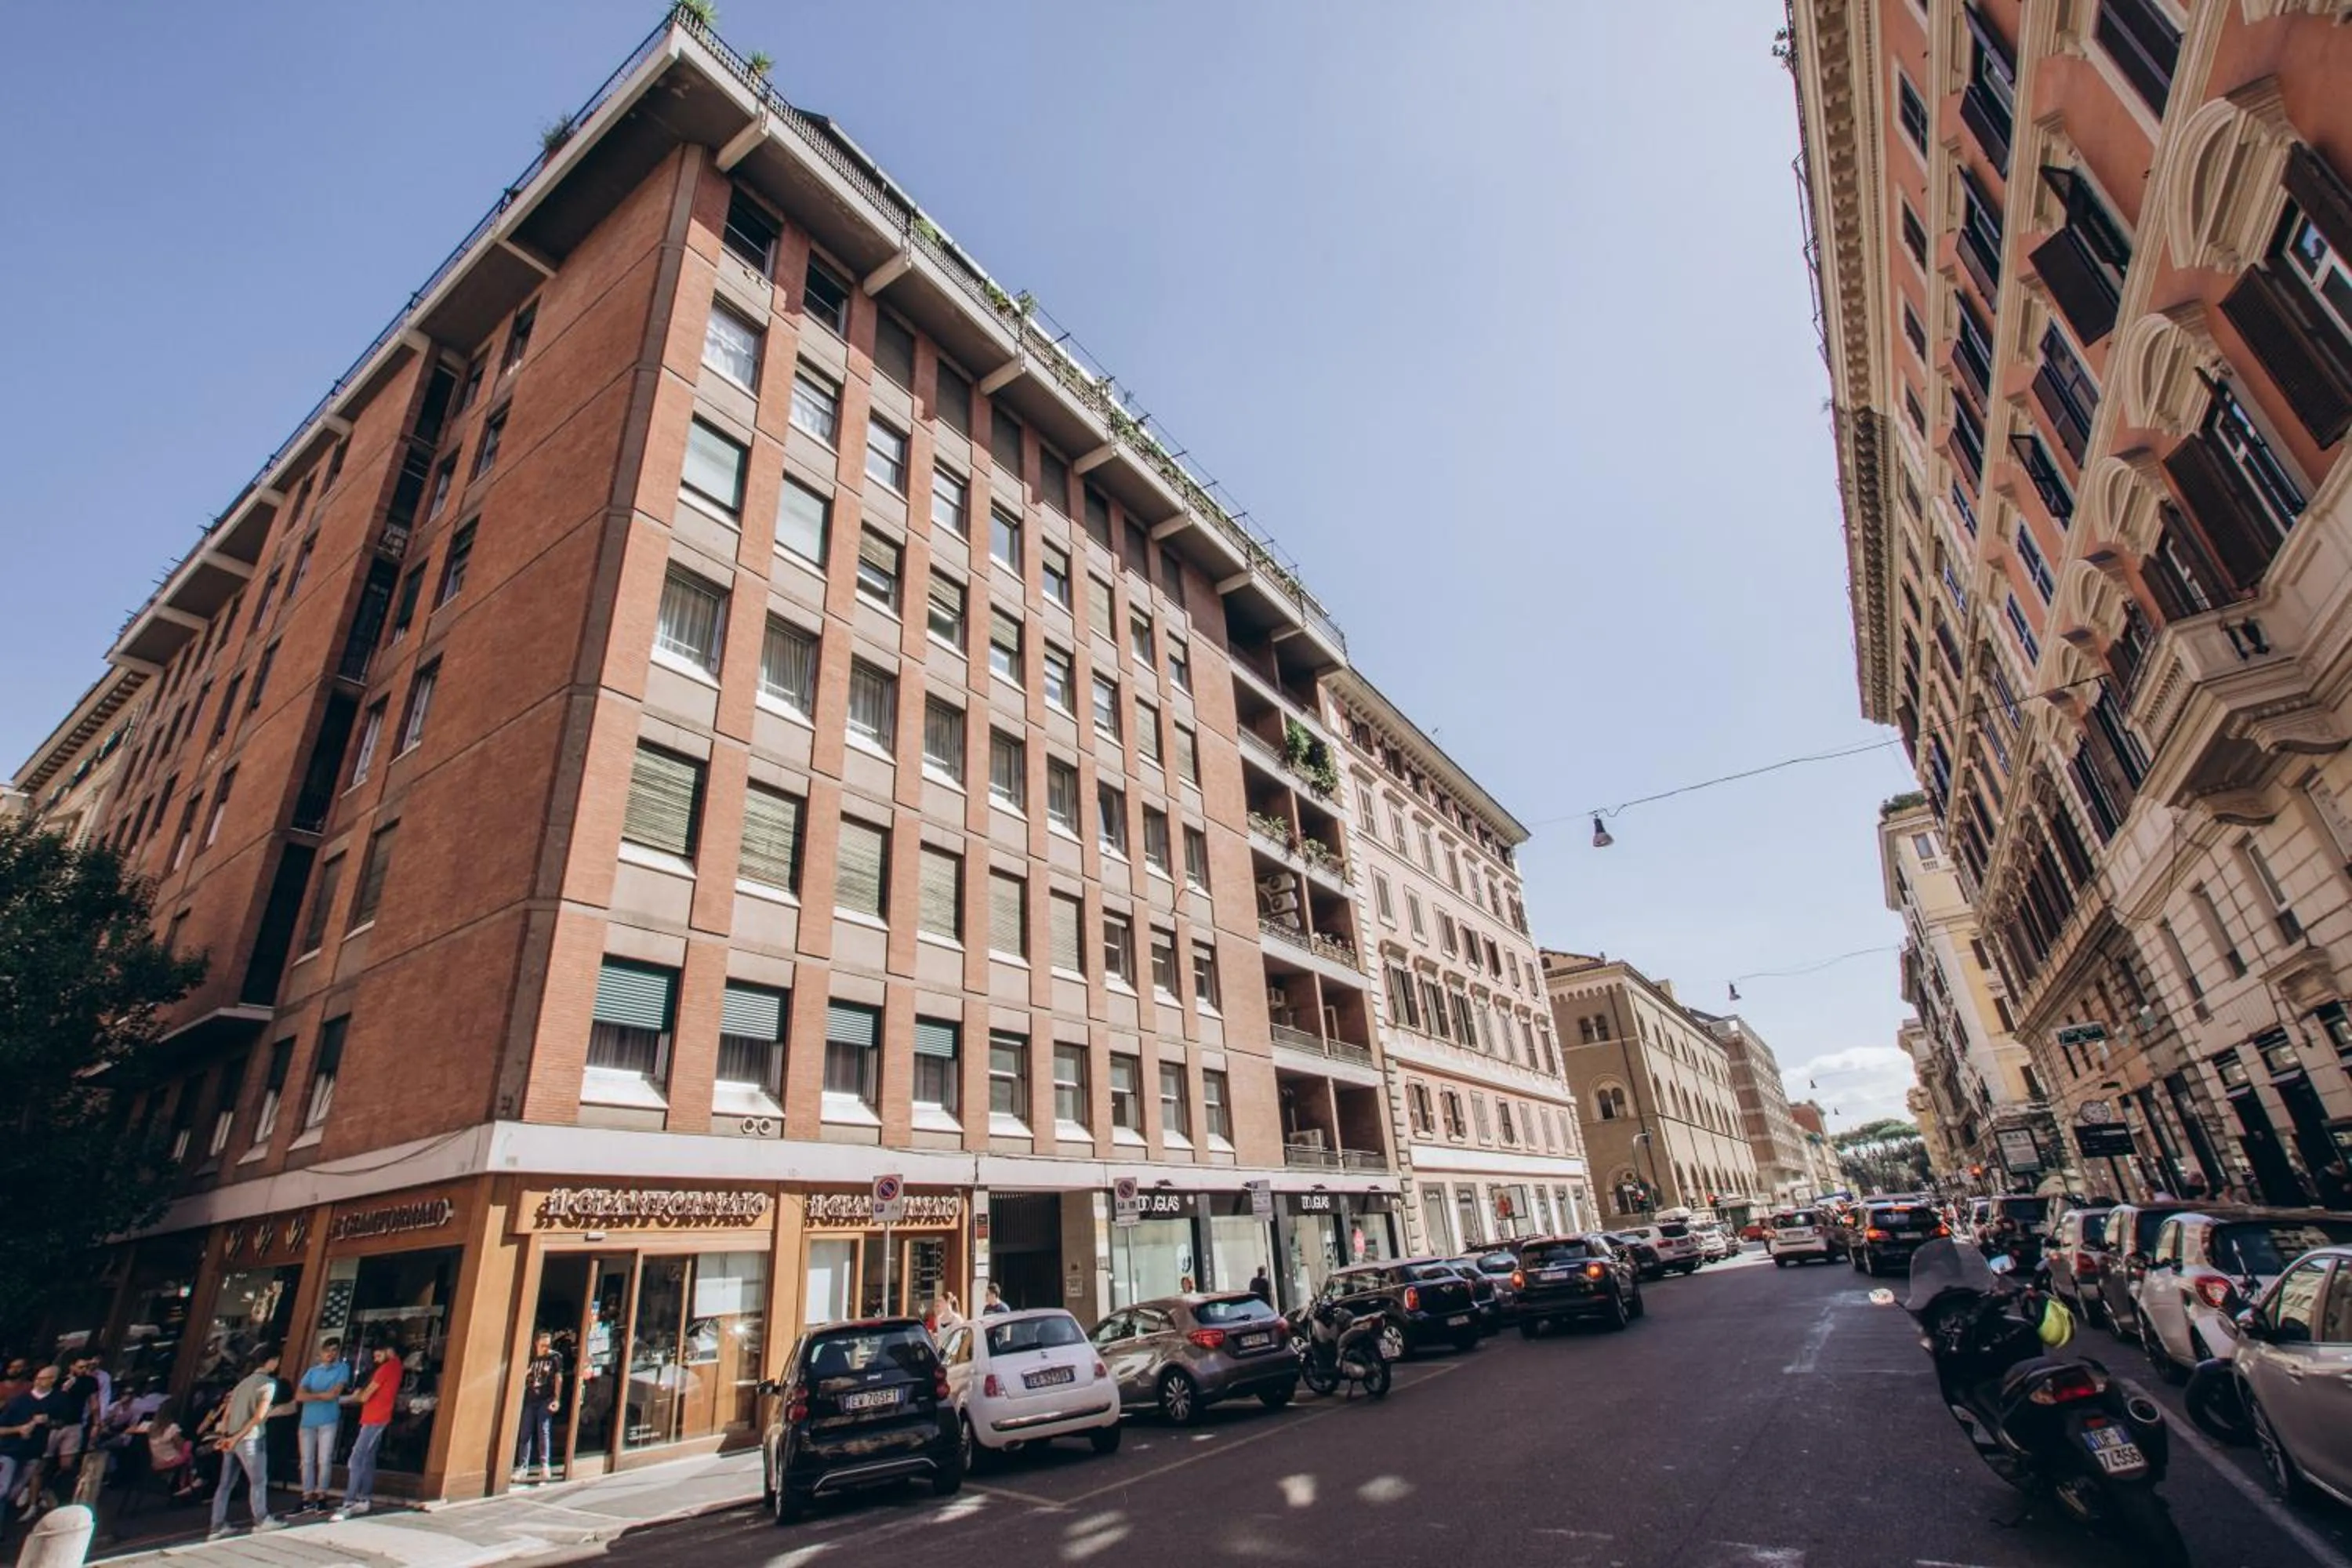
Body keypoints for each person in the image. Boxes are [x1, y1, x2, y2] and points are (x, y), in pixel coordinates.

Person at [209, 1349, 285, 1540]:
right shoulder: (269, 1383)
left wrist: (226, 1435)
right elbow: (259, 1416)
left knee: (225, 1484)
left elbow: (227, 1412)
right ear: (272, 1361)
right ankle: (261, 1519)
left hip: (231, 1435)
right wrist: (238, 1436)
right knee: (258, 1480)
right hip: (250, 1437)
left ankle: (217, 1525)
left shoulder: (241, 1384)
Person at [331, 1342, 401, 1521]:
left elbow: (365, 1396)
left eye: (378, 1355)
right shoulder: (396, 1367)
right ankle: (364, 1498)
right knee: (368, 1458)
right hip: (377, 1417)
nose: (376, 1359)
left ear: (389, 1350)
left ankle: (349, 1501)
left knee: (356, 1458)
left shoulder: (387, 1368)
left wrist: (355, 1395)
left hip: (375, 1418)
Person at [293, 1339, 350, 1512]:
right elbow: (299, 1395)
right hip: (307, 1421)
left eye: (334, 1350)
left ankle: (321, 1495)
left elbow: (334, 1393)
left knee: (324, 1459)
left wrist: (312, 1395)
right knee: (307, 1460)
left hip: (328, 1419)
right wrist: (321, 1395)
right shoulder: (312, 1371)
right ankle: (307, 1495)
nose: (330, 1354)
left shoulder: (342, 1368)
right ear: (321, 1352)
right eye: (327, 1350)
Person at [0, 1365, 60, 1520]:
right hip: (9, 1451)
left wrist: (48, 1421)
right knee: (2, 1490)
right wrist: (19, 1429)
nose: (38, 1382)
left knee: (14, 1492)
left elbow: (61, 1422)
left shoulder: (58, 1399)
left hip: (34, 1451)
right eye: (37, 1378)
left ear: (53, 1380)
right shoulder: (19, 1402)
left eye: (43, 1379)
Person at [515, 1332, 563, 1485]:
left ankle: (544, 1465)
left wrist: (556, 1398)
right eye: (543, 1345)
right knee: (525, 1432)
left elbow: (558, 1378)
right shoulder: (530, 1357)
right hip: (531, 1398)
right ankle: (523, 1466)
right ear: (536, 1344)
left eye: (548, 1345)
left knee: (543, 1430)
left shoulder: (554, 1358)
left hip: (546, 1398)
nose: (546, 1349)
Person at [144, 1400, 198, 1499]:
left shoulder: (151, 1427)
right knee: (191, 1448)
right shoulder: (173, 1428)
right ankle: (187, 1486)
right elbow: (180, 1446)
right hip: (170, 1460)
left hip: (156, 1461)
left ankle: (182, 1485)